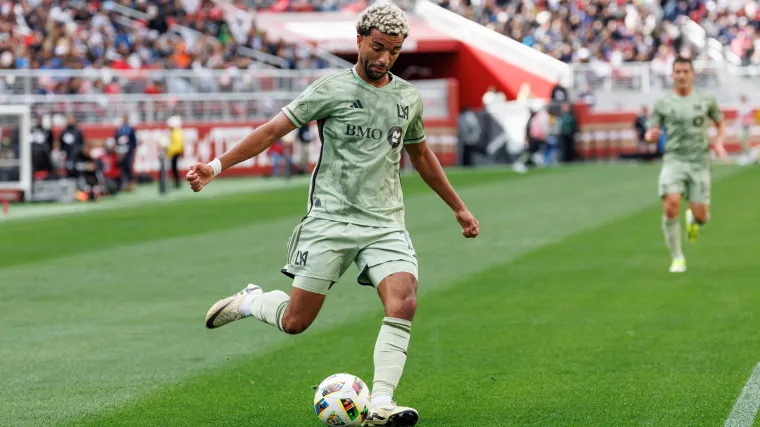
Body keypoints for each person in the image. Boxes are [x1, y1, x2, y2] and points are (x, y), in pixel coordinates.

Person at [186, 4, 479, 426]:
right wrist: (215, 167)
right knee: (295, 322)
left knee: (404, 301)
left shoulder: (407, 98)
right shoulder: (331, 90)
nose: (383, 58)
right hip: (330, 222)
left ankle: (380, 403)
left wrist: (459, 207)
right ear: (359, 39)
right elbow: (271, 131)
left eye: (394, 52)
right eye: (377, 47)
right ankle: (251, 300)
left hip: (385, 223)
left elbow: (421, 155)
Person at [645, 56, 728, 273]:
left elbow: (720, 123)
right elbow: (650, 130)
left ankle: (694, 219)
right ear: (672, 75)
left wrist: (718, 143)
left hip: (700, 162)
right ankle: (677, 258)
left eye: (685, 71)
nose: (681, 76)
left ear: (692, 74)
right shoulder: (663, 102)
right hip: (673, 160)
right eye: (677, 72)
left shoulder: (705, 99)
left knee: (702, 216)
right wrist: (649, 136)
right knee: (671, 204)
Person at [115, 113, 138, 191]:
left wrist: (130, 148)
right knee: (122, 167)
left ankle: (131, 182)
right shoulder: (119, 129)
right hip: (121, 151)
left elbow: (134, 141)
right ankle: (124, 183)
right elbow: (116, 139)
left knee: (128, 166)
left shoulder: (130, 129)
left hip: (128, 151)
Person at [166, 116, 185, 188]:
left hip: (175, 152)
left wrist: (169, 150)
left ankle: (177, 182)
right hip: (175, 152)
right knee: (174, 168)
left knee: (174, 168)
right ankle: (176, 181)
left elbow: (177, 144)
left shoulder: (176, 132)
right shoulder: (176, 131)